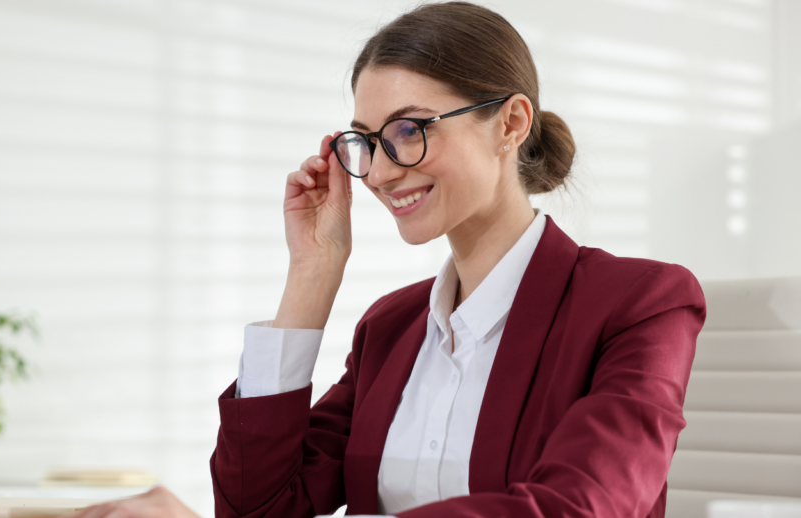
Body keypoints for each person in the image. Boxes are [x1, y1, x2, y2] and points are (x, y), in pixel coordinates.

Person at [67, 2, 706, 517]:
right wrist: (313, 273)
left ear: (510, 124)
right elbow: (257, 506)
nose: (376, 171)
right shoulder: (391, 329)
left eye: (409, 129)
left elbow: (575, 508)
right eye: (366, 141)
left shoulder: (641, 304)